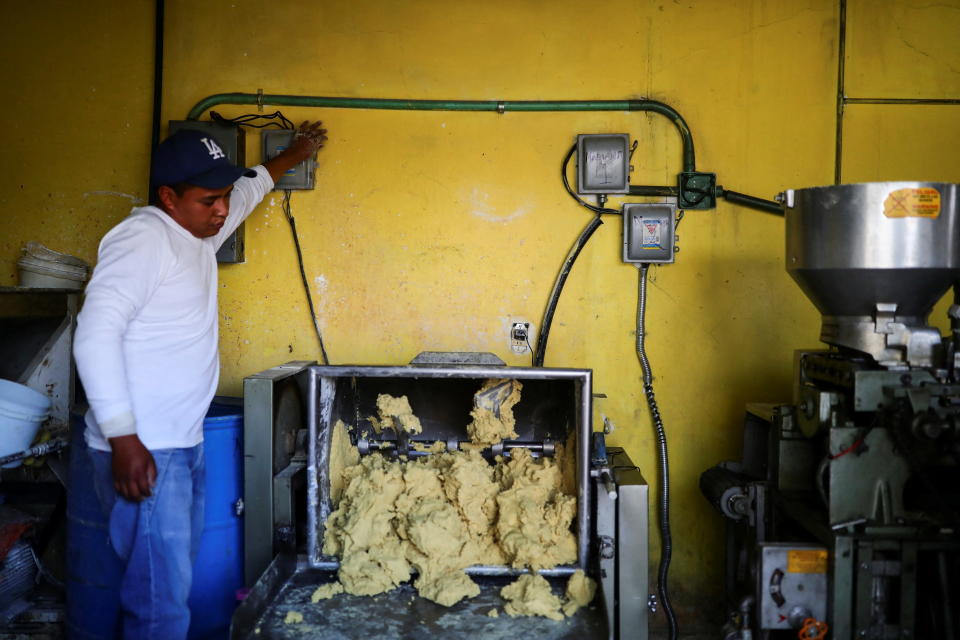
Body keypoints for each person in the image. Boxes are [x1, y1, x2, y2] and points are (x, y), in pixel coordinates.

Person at [72, 120, 327, 639]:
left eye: (224, 197)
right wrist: (123, 437)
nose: (222, 209)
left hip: (179, 446)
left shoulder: (195, 235)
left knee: (167, 593)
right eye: (209, 198)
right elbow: (93, 336)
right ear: (168, 196)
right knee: (159, 608)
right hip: (145, 452)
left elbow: (251, 188)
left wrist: (296, 153)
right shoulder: (144, 239)